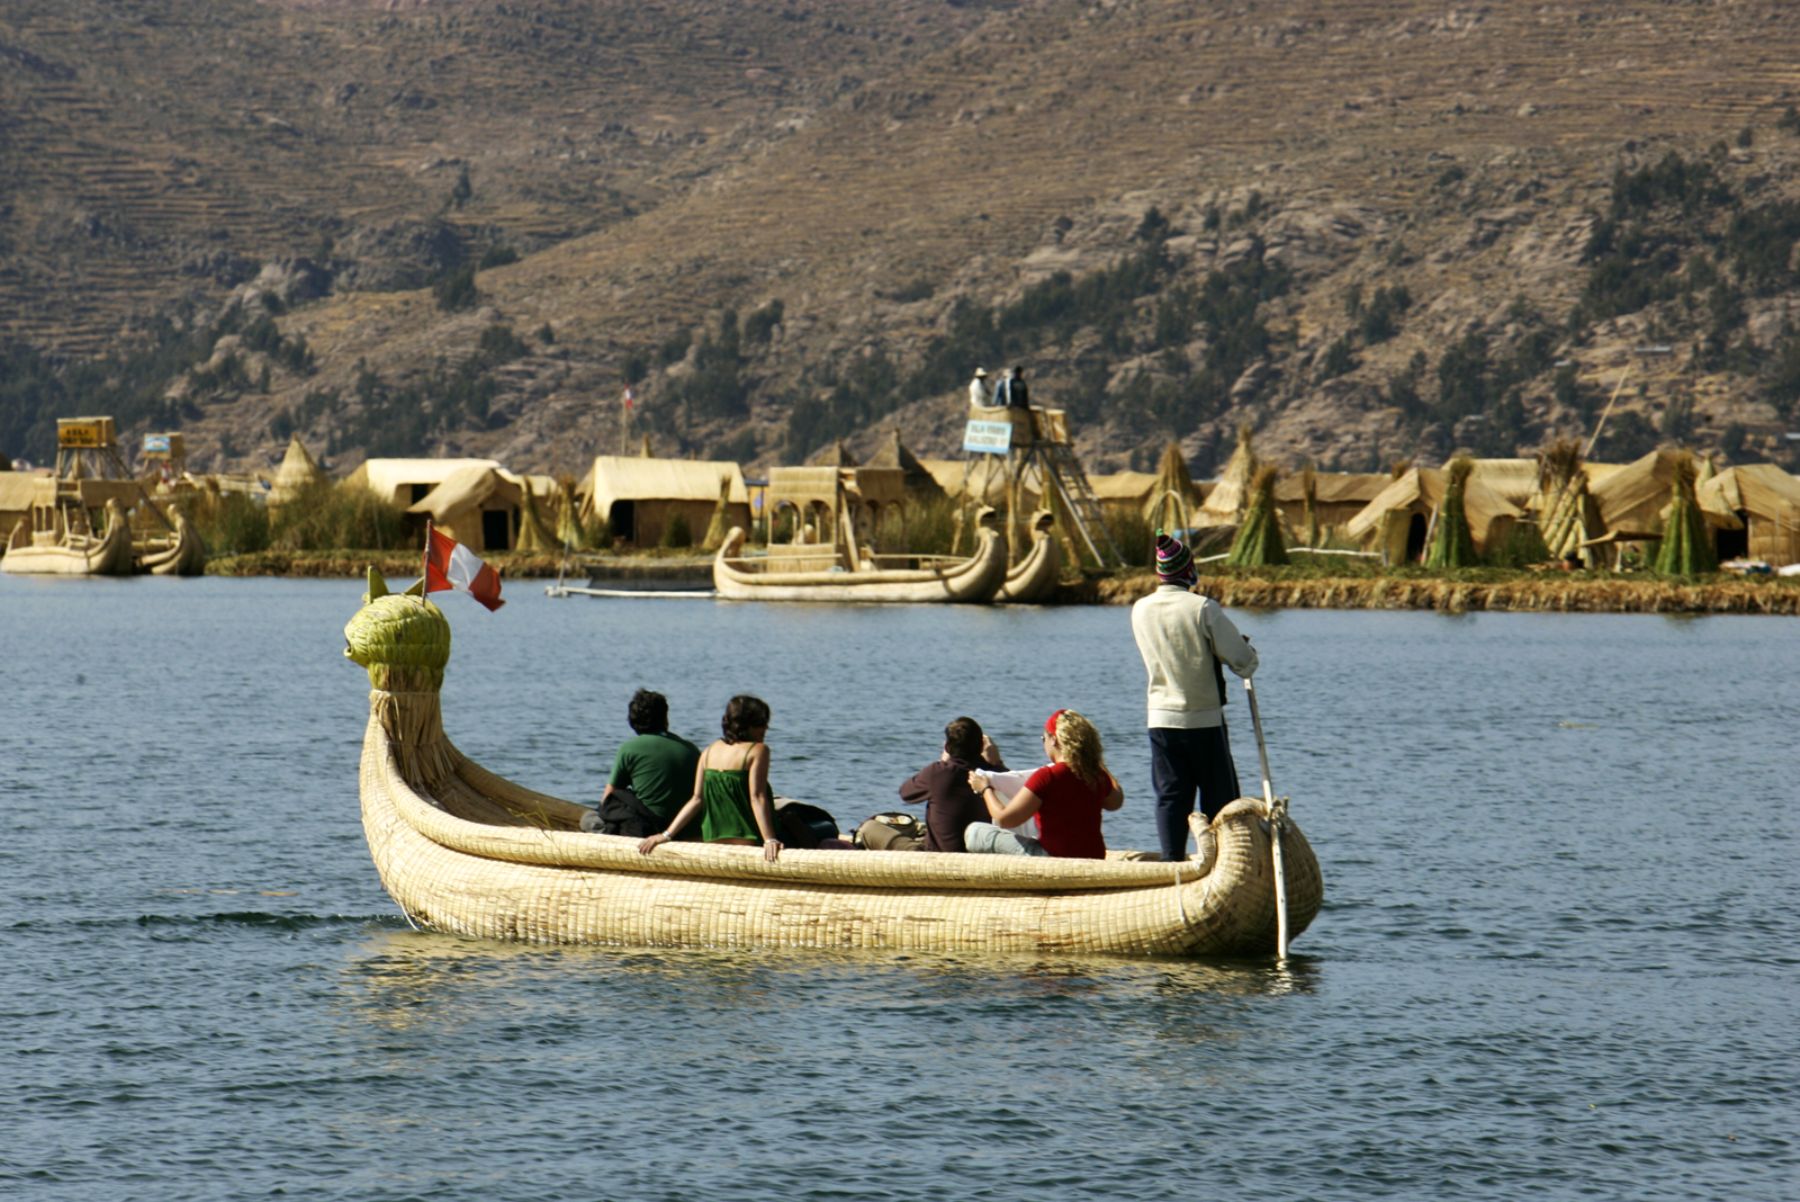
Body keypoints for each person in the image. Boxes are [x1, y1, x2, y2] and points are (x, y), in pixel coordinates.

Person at [1130, 531, 1258, 862]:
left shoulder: (1140, 609)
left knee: (1171, 796)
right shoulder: (1202, 608)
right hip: (1203, 719)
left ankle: (1172, 864)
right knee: (1219, 798)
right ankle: (1224, 863)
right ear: (1188, 570)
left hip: (1160, 718)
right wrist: (1241, 650)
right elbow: (1243, 662)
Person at [638, 695, 783, 862]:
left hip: (712, 838)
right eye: (762, 723)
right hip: (748, 837)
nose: (766, 728)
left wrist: (666, 835)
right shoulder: (758, 750)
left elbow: (696, 800)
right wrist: (769, 839)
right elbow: (757, 797)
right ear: (747, 724)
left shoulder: (708, 752)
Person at [965, 710, 1122, 858]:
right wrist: (1096, 760)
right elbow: (1115, 802)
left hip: (1053, 858)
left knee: (976, 832)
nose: (1043, 744)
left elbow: (1005, 819)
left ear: (1054, 740)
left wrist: (985, 788)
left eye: (1043, 739)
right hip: (1094, 856)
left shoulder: (1048, 776)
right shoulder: (1096, 775)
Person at [585, 689, 701, 837]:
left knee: (588, 818)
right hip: (685, 828)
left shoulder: (629, 749)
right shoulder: (690, 749)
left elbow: (607, 798)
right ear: (665, 718)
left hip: (647, 829)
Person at [892, 717, 1008, 852]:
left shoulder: (937, 772)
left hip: (937, 856)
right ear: (982, 746)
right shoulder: (995, 775)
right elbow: (1015, 791)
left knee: (871, 828)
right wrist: (997, 762)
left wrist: (942, 762)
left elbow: (905, 793)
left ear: (947, 747)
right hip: (980, 856)